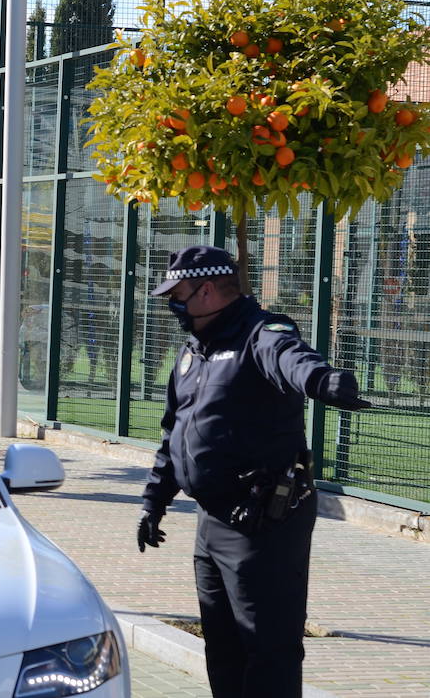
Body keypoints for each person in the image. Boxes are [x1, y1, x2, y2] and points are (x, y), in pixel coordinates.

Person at [136, 245, 372, 698]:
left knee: (268, 649)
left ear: (206, 290)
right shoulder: (194, 350)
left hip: (262, 522)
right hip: (212, 521)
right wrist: (154, 502)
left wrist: (321, 380)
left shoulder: (260, 333)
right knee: (222, 650)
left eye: (178, 293)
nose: (173, 303)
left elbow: (290, 358)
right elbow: (175, 432)